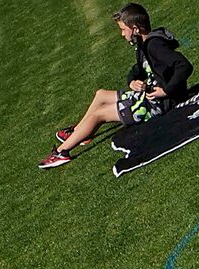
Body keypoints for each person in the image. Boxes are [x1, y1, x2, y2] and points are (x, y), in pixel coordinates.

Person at [42, 5, 190, 167]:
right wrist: (132, 81)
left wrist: (166, 91)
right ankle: (80, 131)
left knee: (98, 115)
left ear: (135, 29)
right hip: (148, 96)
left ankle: (62, 152)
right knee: (101, 94)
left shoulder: (154, 46)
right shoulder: (143, 44)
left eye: (123, 29)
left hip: (157, 105)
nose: (122, 34)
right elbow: (138, 69)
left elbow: (184, 66)